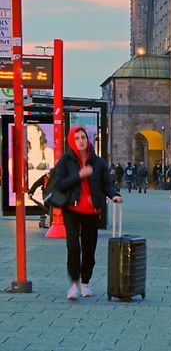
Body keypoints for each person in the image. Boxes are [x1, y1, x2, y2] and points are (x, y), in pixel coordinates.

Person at [49, 126, 122, 299]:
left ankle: (85, 282)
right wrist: (80, 175)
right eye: (77, 138)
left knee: (89, 248)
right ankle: (74, 284)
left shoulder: (98, 162)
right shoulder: (66, 161)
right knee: (73, 245)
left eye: (83, 137)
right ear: (71, 142)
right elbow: (59, 184)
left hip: (92, 209)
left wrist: (114, 195)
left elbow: (106, 184)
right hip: (72, 209)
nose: (81, 141)